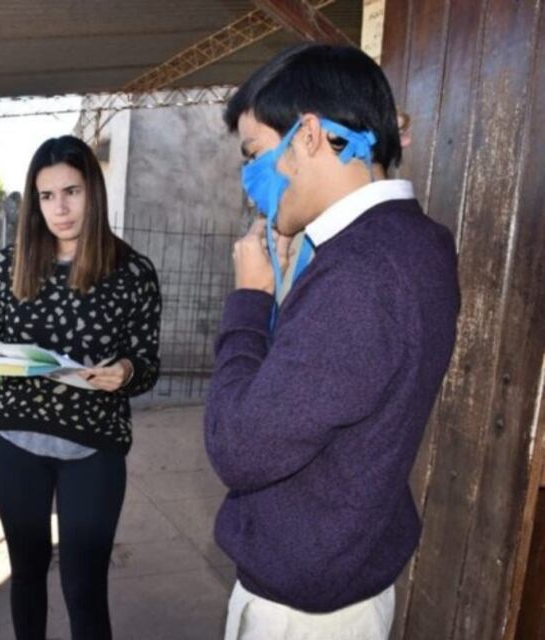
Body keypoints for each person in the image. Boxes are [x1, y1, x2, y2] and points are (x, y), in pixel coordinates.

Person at [204, 44, 460, 639]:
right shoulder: (419, 242)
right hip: (348, 571)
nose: (249, 183)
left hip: (303, 614)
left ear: (310, 134)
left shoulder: (359, 274)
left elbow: (238, 446)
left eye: (255, 154)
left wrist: (250, 301)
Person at [0, 135, 162, 640]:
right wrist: (0, 356)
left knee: (84, 588)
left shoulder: (133, 272)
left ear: (92, 191)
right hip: (14, 442)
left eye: (71, 191)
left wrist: (126, 372)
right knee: (26, 576)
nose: (60, 208)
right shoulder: (12, 263)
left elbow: (146, 361)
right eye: (47, 196)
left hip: (93, 445)